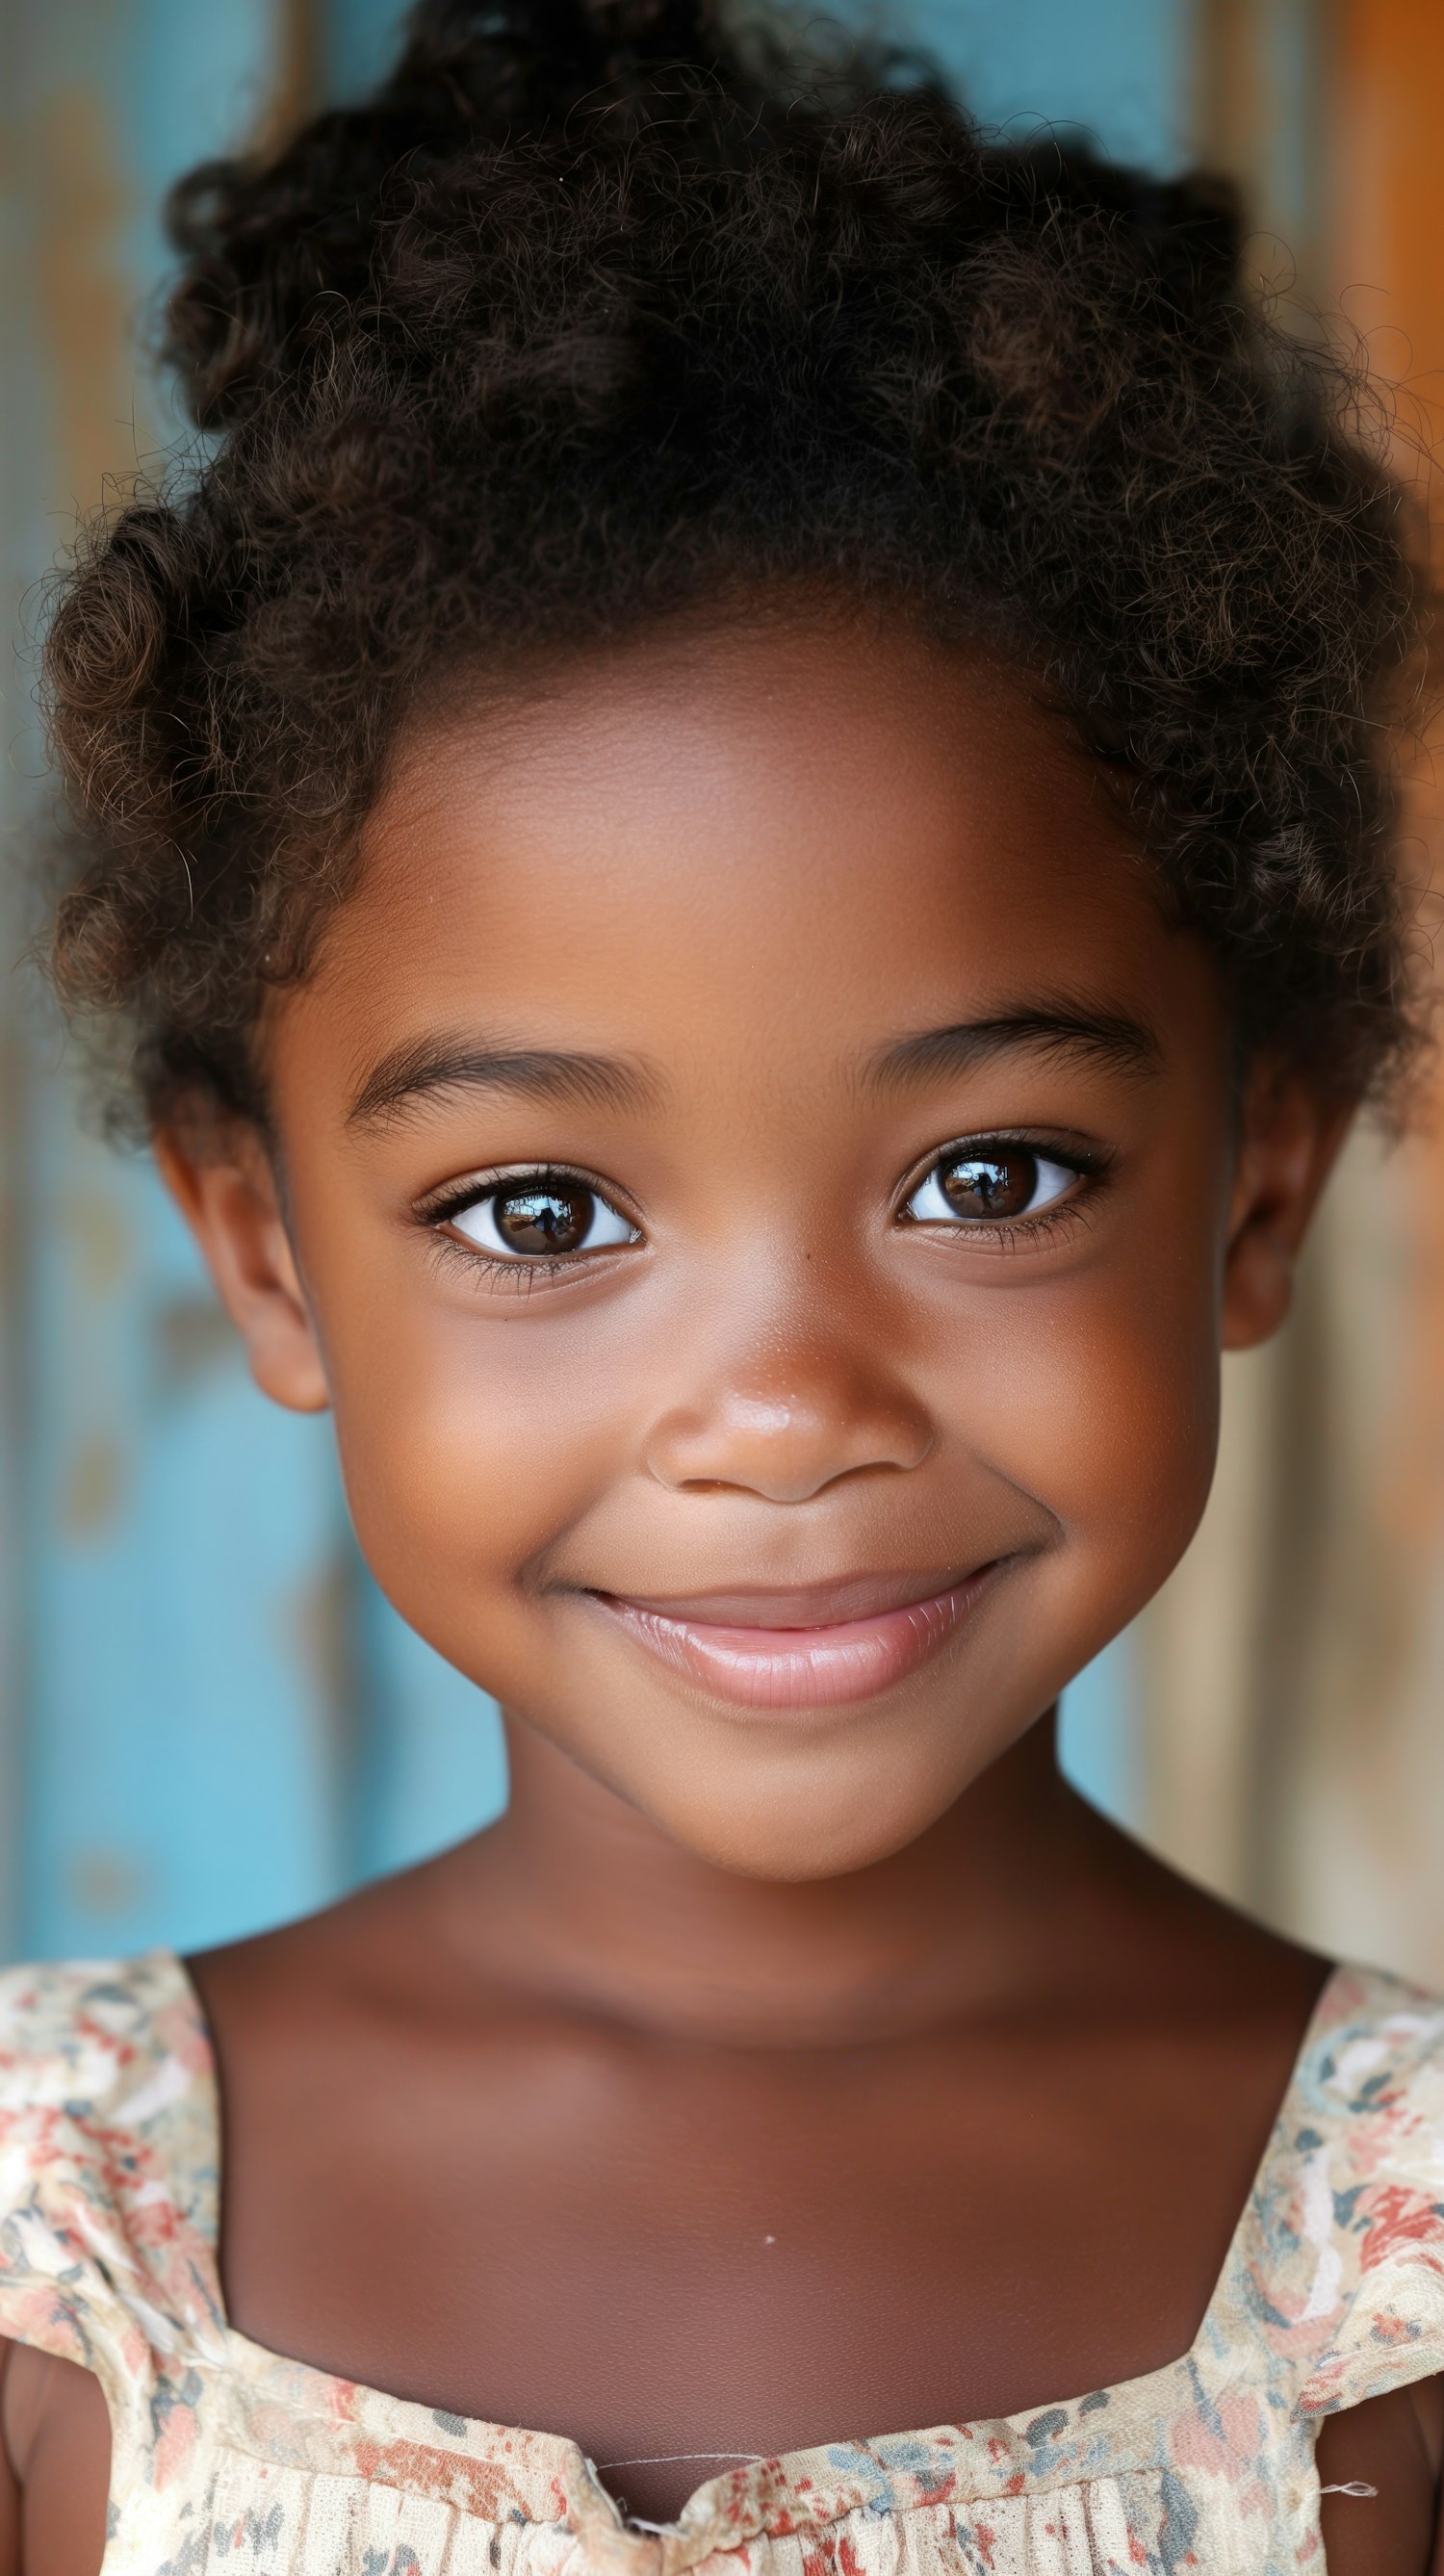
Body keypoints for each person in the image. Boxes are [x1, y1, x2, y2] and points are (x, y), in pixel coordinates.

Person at [5, 1, 1441, 2566]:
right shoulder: (49, 2243)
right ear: (269, 1251)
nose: (780, 1405)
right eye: (541, 1212)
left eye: (989, 1173)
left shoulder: (1398, 2283)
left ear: (1256, 1178)